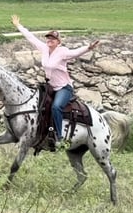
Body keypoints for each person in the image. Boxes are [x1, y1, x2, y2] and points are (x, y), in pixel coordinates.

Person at [11, 15, 100, 148]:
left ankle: (59, 137)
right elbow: (31, 38)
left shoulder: (63, 52)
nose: (50, 40)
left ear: (59, 41)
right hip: (50, 86)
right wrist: (18, 26)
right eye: (48, 38)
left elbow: (75, 53)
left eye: (53, 38)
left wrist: (88, 48)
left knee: (56, 107)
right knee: (37, 105)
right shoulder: (44, 49)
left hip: (63, 87)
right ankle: (39, 133)